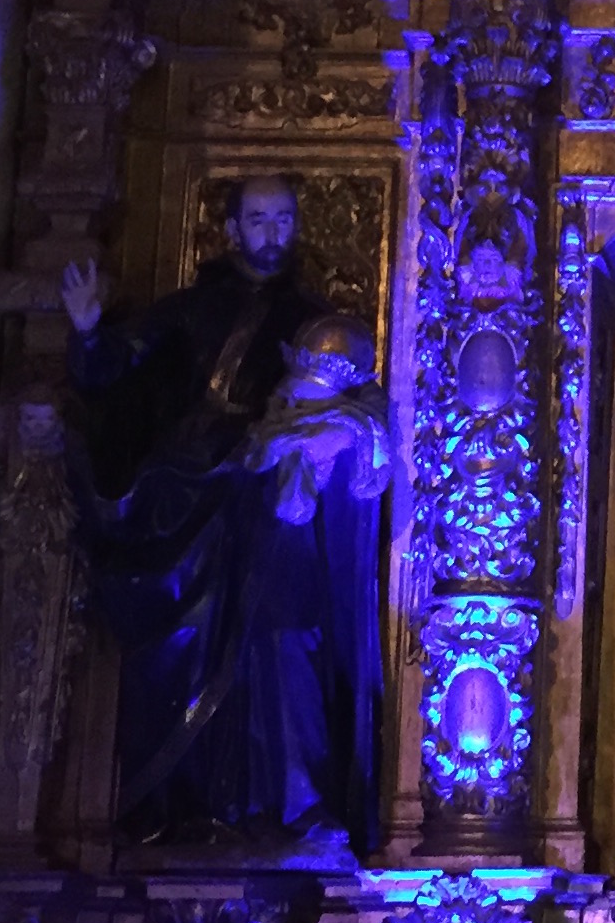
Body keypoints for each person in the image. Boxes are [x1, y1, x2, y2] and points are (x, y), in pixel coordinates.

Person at [64, 174, 390, 850]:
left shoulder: (313, 320)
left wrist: (338, 433)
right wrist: (90, 333)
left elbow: (359, 397)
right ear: (233, 229)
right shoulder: (192, 309)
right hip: (188, 501)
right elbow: (120, 373)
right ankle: (178, 804)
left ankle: (294, 803)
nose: (272, 232)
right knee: (180, 643)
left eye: (283, 218)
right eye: (258, 218)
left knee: (283, 644)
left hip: (270, 504)